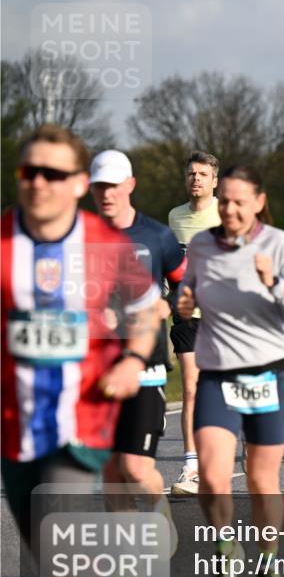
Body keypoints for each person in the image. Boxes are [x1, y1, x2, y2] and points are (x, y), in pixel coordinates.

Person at [2, 124, 161, 577]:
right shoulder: (2, 245)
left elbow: (145, 313)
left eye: (53, 173)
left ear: (76, 184)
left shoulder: (106, 245)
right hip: (15, 425)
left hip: (82, 419)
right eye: (29, 171)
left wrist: (134, 359)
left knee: (60, 556)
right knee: (46, 547)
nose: (38, 182)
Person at [176, 165, 284, 577]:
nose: (230, 209)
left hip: (266, 375)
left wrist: (272, 282)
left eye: (240, 201)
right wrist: (184, 301)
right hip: (217, 375)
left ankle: (269, 569)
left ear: (258, 202)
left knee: (261, 482)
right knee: (213, 479)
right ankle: (225, 555)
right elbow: (189, 290)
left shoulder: (277, 245)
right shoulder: (200, 245)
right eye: (225, 202)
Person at [89, 150, 186, 536]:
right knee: (111, 473)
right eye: (99, 186)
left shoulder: (157, 236)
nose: (106, 194)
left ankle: (158, 508)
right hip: (99, 370)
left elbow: (187, 283)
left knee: (134, 468)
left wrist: (166, 304)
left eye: (113, 185)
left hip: (146, 367)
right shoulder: (79, 237)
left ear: (130, 185)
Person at [167, 150, 221, 495]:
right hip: (187, 314)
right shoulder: (174, 217)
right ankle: (190, 467)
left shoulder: (227, 213)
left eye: (202, 174)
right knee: (190, 387)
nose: (196, 179)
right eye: (191, 174)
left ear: (215, 181)